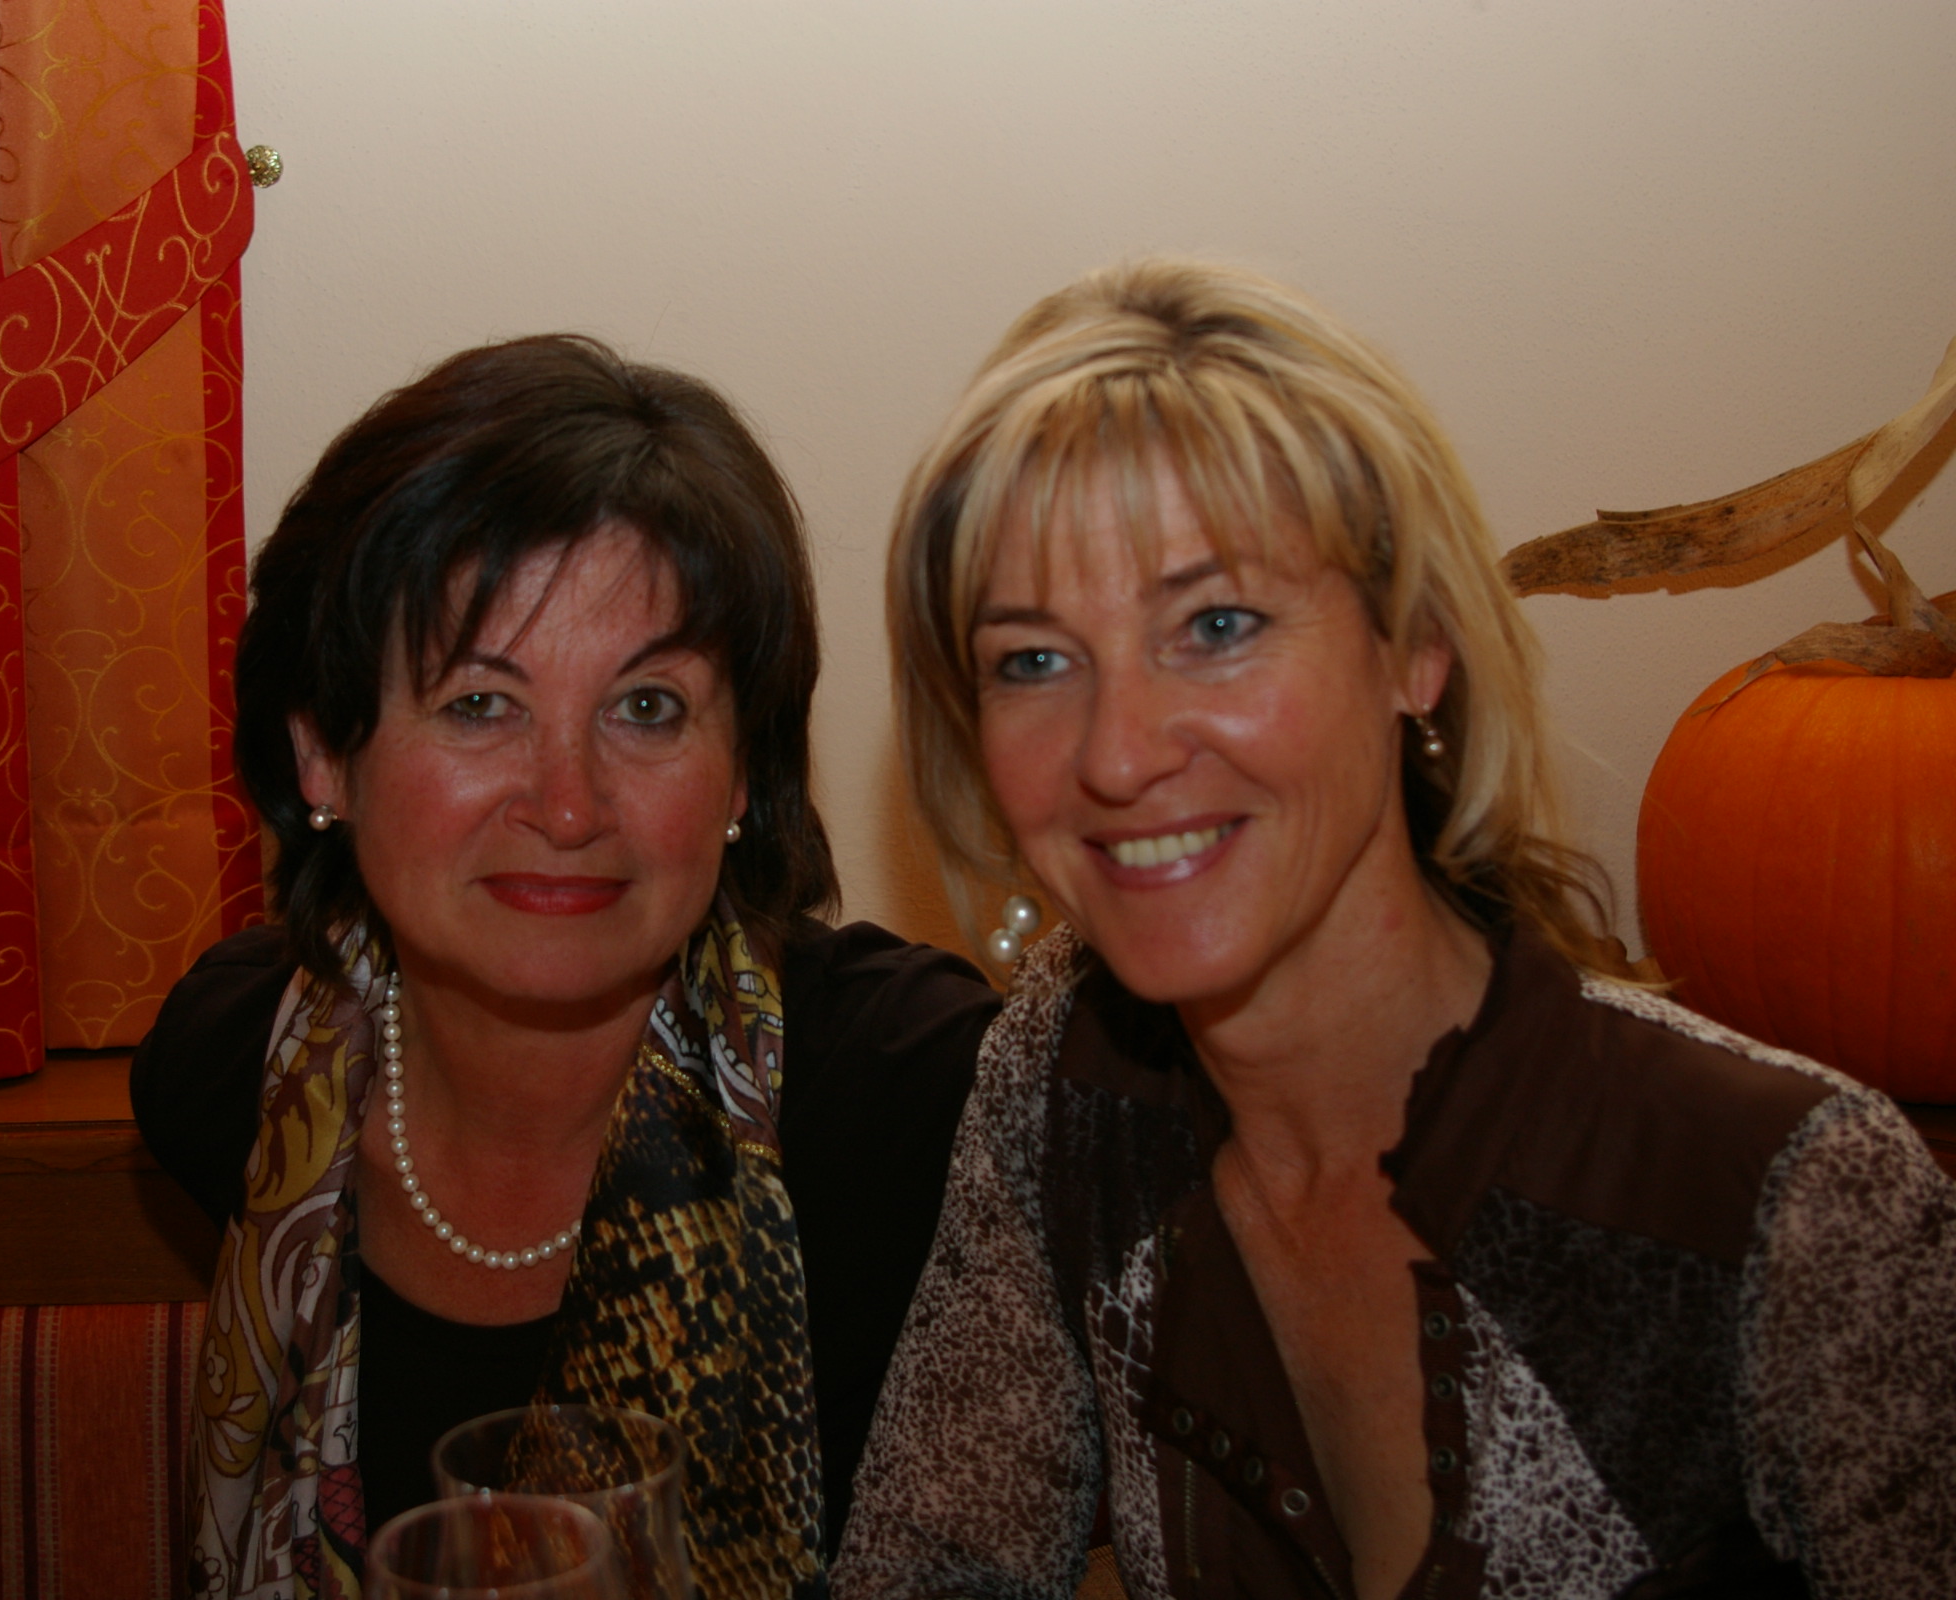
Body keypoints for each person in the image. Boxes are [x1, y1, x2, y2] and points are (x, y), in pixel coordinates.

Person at [836, 260, 1956, 1599]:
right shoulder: (1062, 1093)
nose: (1118, 754)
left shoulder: (1803, 1205)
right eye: (1033, 659)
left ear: (1414, 647)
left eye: (1217, 624)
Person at [130, 334, 996, 1600]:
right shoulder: (233, 1078)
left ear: (743, 772)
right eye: (480, 704)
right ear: (322, 755)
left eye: (647, 707)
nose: (569, 805)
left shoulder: (914, 1097)